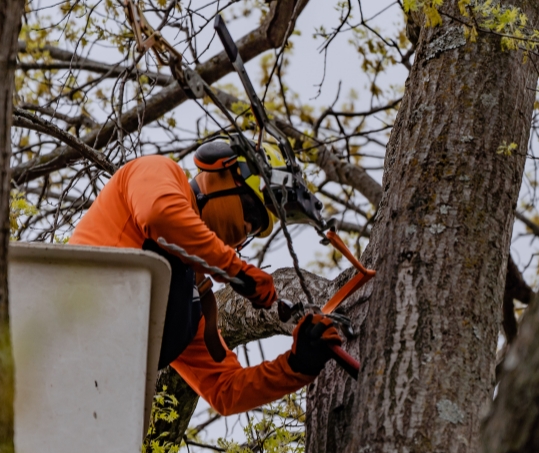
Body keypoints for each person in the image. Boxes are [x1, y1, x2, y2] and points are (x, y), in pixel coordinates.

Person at [69, 141, 343, 415]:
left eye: (254, 229)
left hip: (91, 392)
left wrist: (297, 365)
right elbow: (159, 214)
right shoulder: (157, 170)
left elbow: (226, 390)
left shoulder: (191, 300)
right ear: (221, 171)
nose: (245, 228)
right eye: (250, 211)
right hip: (68, 316)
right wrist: (234, 269)